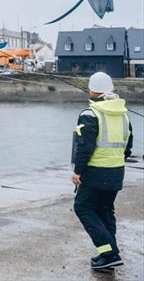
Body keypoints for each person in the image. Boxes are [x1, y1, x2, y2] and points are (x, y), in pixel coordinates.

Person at [71, 71, 133, 271]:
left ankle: (109, 252)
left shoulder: (89, 114)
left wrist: (77, 171)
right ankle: (108, 256)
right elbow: (128, 146)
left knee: (83, 208)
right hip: (116, 172)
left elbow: (84, 147)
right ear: (111, 89)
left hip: (95, 172)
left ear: (91, 89)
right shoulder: (123, 114)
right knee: (105, 211)